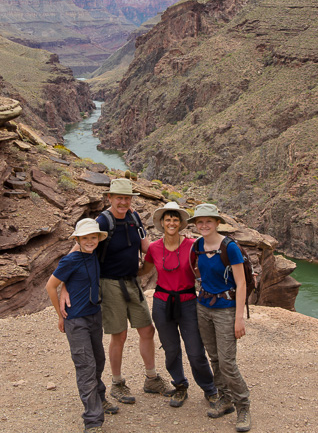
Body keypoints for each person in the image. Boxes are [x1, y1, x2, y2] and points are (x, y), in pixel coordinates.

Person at [60, 178, 170, 405]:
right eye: (119, 197)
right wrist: (63, 287)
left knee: (147, 330)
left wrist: (168, 256)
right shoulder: (102, 221)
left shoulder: (134, 217)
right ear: (109, 198)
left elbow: (146, 246)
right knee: (119, 334)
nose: (123, 202)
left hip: (132, 281)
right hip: (108, 283)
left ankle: (151, 378)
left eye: (127, 198)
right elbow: (77, 251)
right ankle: (117, 383)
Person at [139, 202, 218, 408]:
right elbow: (144, 270)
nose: (172, 223)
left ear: (180, 223)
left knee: (195, 350)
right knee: (171, 349)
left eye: (175, 219)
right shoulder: (154, 248)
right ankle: (180, 386)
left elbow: (207, 266)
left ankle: (210, 389)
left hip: (188, 302)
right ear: (162, 223)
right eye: (168, 219)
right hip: (162, 303)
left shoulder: (193, 245)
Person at [187, 203, 251, 432]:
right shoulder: (197, 245)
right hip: (203, 306)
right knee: (214, 357)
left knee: (227, 362)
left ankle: (243, 404)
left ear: (216, 223)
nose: (204, 225)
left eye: (208, 221)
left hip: (226, 309)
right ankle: (224, 399)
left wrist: (239, 318)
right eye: (200, 222)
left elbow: (241, 282)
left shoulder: (229, 247)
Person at [46, 218, 109, 433]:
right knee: (86, 366)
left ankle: (100, 400)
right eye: (85, 238)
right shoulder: (70, 260)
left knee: (98, 359)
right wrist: (61, 316)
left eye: (94, 237)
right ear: (78, 239)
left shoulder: (92, 255)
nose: (90, 241)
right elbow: (49, 286)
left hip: (94, 315)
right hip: (76, 320)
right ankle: (93, 420)